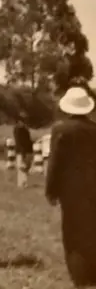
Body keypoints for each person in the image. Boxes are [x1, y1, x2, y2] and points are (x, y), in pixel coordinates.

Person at [46, 87, 96, 287]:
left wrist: (51, 190)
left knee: (73, 233)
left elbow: (55, 163)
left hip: (71, 191)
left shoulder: (60, 130)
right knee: (92, 230)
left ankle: (80, 276)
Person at [13, 113, 33, 187]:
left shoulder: (23, 129)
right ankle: (22, 183)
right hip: (22, 151)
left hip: (26, 150)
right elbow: (20, 142)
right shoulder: (19, 129)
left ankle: (23, 182)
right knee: (22, 167)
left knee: (24, 167)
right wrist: (23, 152)